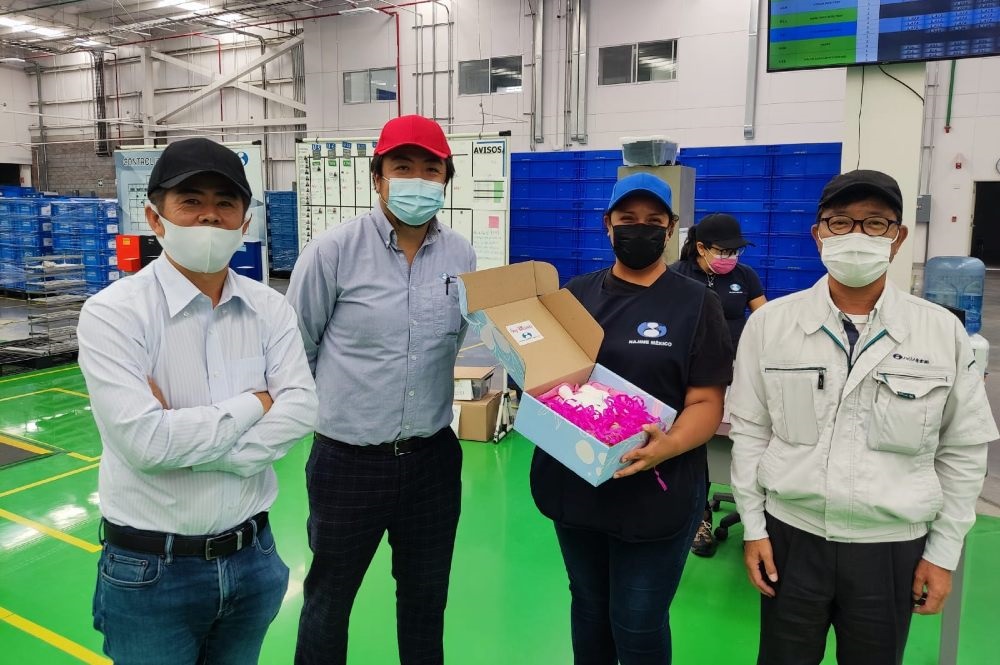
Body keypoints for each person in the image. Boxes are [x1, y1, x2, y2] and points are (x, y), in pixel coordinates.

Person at [728, 169, 999, 665]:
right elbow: (750, 432)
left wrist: (942, 553)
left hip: (891, 549)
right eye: (840, 222)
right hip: (792, 538)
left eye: (875, 223)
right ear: (818, 235)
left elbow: (962, 450)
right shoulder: (771, 325)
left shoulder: (941, 333)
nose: (856, 235)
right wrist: (753, 527)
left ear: (898, 238)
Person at [77, 137, 318, 665]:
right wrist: (257, 402)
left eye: (225, 203)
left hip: (253, 558)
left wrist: (188, 442)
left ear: (244, 223)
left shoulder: (270, 310)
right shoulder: (113, 315)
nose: (209, 216)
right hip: (150, 571)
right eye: (190, 201)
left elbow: (302, 407)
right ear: (155, 218)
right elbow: (144, 443)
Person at [287, 115, 476, 665]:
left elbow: (461, 338)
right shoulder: (332, 252)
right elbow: (297, 349)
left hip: (432, 460)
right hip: (347, 463)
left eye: (431, 170)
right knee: (328, 602)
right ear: (378, 178)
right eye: (402, 167)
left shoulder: (461, 256)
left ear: (446, 180)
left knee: (425, 601)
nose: (417, 179)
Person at [531, 173, 734, 665]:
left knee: (638, 620)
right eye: (627, 219)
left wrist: (669, 444)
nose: (639, 229)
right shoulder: (576, 296)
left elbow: (707, 402)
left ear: (671, 228)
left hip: (656, 491)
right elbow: (550, 377)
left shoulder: (696, 304)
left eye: (652, 221)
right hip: (579, 482)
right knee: (589, 607)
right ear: (608, 224)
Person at [671, 213, 766, 557]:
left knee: (747, 439)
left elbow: (765, 320)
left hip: (739, 372)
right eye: (724, 251)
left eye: (736, 251)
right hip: (694, 376)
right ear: (701, 248)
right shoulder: (678, 276)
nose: (731, 257)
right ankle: (700, 517)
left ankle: (759, 519)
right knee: (699, 445)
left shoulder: (745, 276)